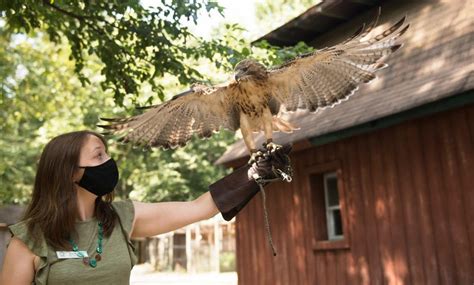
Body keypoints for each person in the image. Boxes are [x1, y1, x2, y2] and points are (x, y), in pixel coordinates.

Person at [0, 130, 292, 284]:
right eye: (99, 156)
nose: (109, 163)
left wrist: (252, 174)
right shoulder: (28, 239)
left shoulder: (124, 217)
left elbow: (198, 207)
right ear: (70, 173)